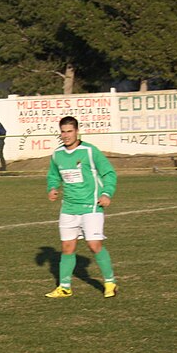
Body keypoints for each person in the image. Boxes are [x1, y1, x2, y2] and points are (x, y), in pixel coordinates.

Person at [45, 115, 118, 299]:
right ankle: (64, 287)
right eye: (63, 131)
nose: (66, 135)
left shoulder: (89, 151)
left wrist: (106, 193)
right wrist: (53, 188)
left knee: (94, 245)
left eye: (70, 131)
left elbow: (109, 173)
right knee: (67, 247)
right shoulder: (57, 154)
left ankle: (110, 282)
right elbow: (53, 175)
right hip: (69, 208)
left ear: (77, 131)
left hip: (91, 206)